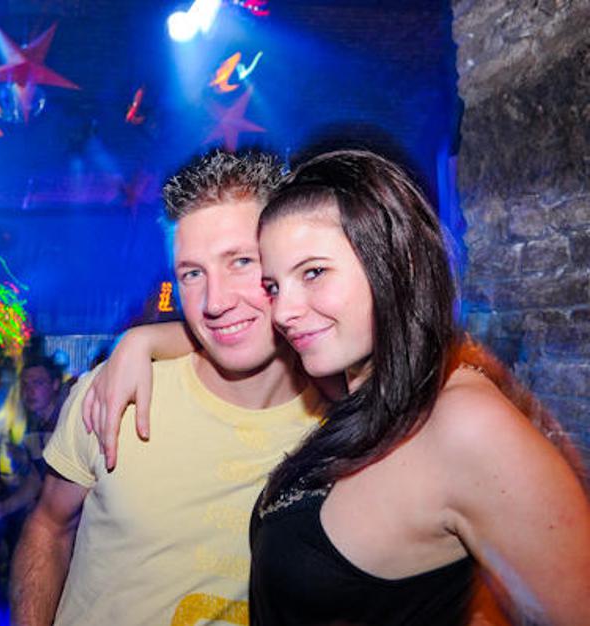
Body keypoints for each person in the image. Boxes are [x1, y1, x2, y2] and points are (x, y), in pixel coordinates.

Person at [87, 149, 590, 625]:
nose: (284, 311)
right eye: (274, 285)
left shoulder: (466, 422)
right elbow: (235, 330)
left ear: (396, 263)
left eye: (314, 272)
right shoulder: (352, 391)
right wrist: (142, 340)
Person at [10, 149, 325, 626]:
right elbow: (49, 526)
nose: (214, 302)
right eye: (192, 273)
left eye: (241, 261)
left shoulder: (345, 424)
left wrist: (145, 338)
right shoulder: (113, 394)